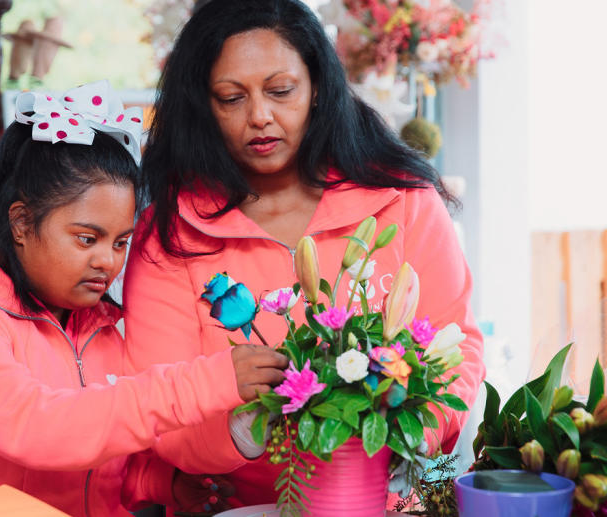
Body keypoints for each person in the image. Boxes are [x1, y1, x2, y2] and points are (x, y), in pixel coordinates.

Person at [0, 81, 289, 517]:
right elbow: (40, 428)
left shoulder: (92, 325)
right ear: (23, 223)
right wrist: (208, 381)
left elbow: (97, 464)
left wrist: (160, 482)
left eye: (121, 242)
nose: (108, 261)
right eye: (87, 238)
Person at [123, 0, 486, 506]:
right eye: (231, 98)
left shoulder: (401, 200)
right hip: (247, 507)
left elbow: (458, 348)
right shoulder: (169, 234)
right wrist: (245, 430)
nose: (260, 117)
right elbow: (154, 407)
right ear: (203, 107)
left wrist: (407, 439)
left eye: (281, 91)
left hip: (397, 496)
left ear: (317, 88)